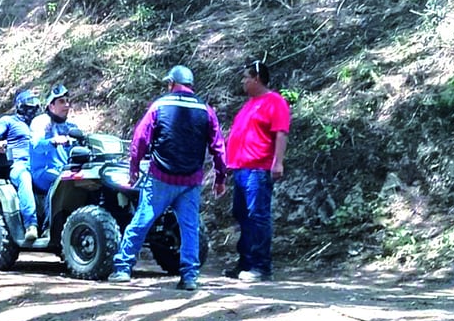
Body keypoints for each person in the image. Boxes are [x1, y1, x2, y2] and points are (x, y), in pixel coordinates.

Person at [108, 65, 228, 292]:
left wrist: (133, 168)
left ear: (172, 83)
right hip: (190, 181)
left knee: (142, 221)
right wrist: (220, 177)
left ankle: (123, 268)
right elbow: (218, 147)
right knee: (189, 228)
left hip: (160, 177)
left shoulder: (159, 106)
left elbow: (139, 140)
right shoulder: (205, 109)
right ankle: (189, 276)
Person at [223, 60, 291, 283]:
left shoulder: (274, 102)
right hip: (241, 168)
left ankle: (261, 266)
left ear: (257, 78)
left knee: (257, 216)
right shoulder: (250, 104)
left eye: (246, 77)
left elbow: (281, 133)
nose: (243, 81)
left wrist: (278, 162)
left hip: (258, 169)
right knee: (242, 215)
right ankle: (245, 262)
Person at [0, 89, 41, 243]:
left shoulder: (39, 125)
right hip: (18, 165)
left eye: (35, 107)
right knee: (24, 178)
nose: (33, 110)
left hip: (39, 166)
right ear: (20, 107)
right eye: (29, 106)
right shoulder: (9, 121)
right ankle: (31, 225)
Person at [30, 84, 81, 228]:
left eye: (67, 101)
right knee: (59, 180)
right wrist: (52, 141)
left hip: (67, 169)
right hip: (43, 172)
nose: (67, 105)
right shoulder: (41, 122)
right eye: (61, 102)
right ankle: (49, 226)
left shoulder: (71, 126)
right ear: (51, 106)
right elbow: (36, 146)